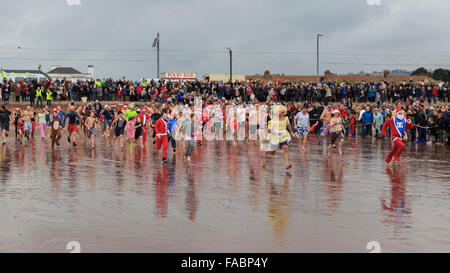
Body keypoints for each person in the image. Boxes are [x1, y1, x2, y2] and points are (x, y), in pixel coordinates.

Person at [266, 105, 294, 170]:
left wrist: (292, 132)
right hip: (275, 136)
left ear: (283, 112)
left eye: (281, 112)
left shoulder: (286, 119)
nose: (279, 114)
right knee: (272, 152)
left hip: (283, 136)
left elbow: (289, 125)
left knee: (285, 148)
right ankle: (265, 159)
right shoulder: (272, 120)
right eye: (278, 112)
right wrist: (275, 132)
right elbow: (269, 130)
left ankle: (287, 164)